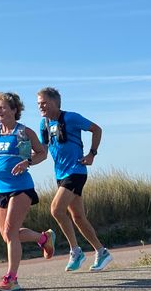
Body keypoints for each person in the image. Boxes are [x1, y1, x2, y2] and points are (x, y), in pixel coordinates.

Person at [0, 92, 54, 291]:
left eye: (2, 107)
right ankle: (43, 238)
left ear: (14, 110)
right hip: (1, 189)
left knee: (11, 233)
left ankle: (11, 279)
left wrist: (27, 162)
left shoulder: (24, 132)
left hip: (21, 188)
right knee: (7, 235)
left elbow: (42, 154)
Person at [36, 87, 113, 273]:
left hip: (76, 171)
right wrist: (26, 161)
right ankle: (102, 251)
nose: (41, 106)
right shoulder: (43, 124)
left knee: (56, 209)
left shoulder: (71, 118)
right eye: (39, 104)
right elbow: (43, 153)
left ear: (55, 102)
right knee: (78, 217)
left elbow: (96, 129)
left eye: (44, 103)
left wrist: (92, 154)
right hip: (60, 175)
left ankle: (75, 251)